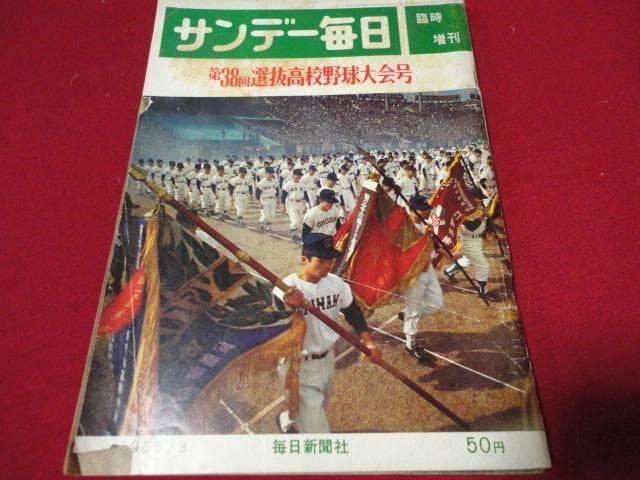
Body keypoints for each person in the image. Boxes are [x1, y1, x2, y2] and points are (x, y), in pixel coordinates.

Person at [274, 233, 382, 433]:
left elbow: (354, 314)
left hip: (327, 360)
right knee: (317, 430)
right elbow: (274, 333)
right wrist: (289, 309)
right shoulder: (285, 289)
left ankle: (287, 419)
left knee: (318, 407)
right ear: (304, 259)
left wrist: (368, 342)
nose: (328, 265)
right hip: (297, 365)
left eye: (331, 259)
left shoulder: (336, 284)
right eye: (321, 260)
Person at [401, 195, 444, 361]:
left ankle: (406, 314)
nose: (427, 212)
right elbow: (405, 251)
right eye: (423, 210)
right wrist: (422, 237)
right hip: (413, 273)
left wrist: (440, 248)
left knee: (436, 303)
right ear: (413, 210)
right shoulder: (405, 226)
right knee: (413, 310)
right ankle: (410, 345)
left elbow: (432, 242)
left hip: (427, 267)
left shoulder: (423, 223)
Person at [255, 166, 278, 232]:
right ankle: (261, 223)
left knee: (272, 215)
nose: (271, 174)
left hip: (272, 200)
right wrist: (259, 203)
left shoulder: (274, 181)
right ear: (266, 173)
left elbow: (276, 190)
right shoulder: (262, 182)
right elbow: (257, 193)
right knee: (265, 215)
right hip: (264, 200)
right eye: (270, 173)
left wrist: (278, 199)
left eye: (272, 173)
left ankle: (269, 227)